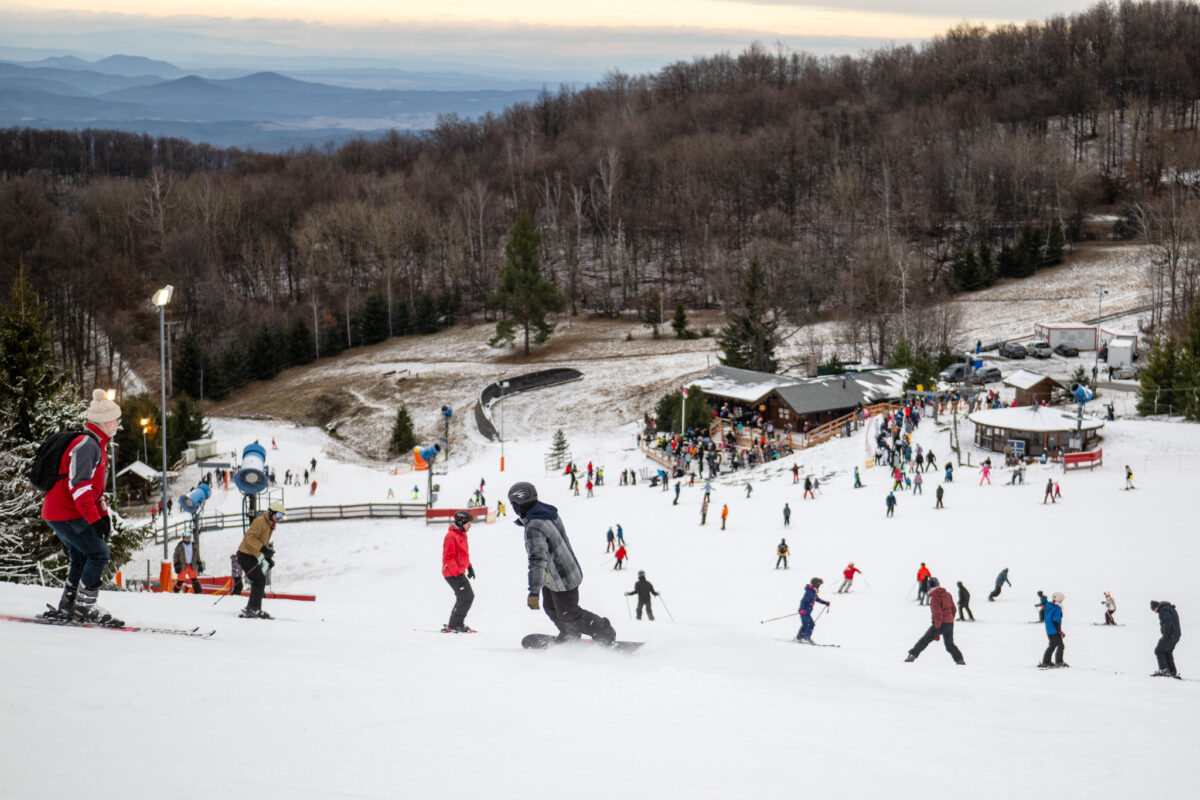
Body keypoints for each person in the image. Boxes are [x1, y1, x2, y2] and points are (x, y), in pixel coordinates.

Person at [41, 389, 123, 625]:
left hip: (61, 511)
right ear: (106, 422)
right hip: (65, 511)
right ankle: (85, 606)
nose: (118, 423)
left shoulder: (97, 443)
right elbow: (79, 487)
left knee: (80, 554)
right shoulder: (88, 445)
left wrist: (103, 515)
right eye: (116, 419)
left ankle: (68, 604)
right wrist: (94, 520)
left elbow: (95, 490)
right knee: (99, 553)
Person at [509, 481, 616, 645]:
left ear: (518, 504)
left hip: (562, 577)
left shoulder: (534, 526)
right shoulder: (547, 513)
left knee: (569, 614)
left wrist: (533, 591)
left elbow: (537, 560)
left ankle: (604, 631)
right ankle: (570, 634)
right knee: (551, 607)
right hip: (556, 573)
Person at [236, 500, 286, 619]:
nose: (279, 519)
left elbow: (262, 543)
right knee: (259, 580)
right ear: (270, 513)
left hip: (251, 555)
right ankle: (253, 609)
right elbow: (250, 538)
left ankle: (252, 608)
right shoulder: (260, 522)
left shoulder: (269, 524)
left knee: (259, 580)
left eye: (282, 517)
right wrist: (263, 550)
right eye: (278, 515)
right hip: (244, 555)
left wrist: (267, 558)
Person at [904, 578, 965, 664]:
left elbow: (938, 614)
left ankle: (912, 655)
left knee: (925, 640)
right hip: (949, 624)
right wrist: (950, 619)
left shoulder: (935, 598)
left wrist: (937, 628)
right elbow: (953, 609)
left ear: (930, 586)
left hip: (940, 624)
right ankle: (960, 660)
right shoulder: (947, 594)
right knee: (949, 644)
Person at [442, 510, 476, 633]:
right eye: (468, 523)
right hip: (452, 573)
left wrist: (469, 567)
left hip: (457, 572)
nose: (470, 525)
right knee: (467, 597)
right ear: (461, 523)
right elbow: (448, 558)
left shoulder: (462, 535)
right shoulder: (450, 536)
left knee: (463, 597)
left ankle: (455, 624)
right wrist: (458, 574)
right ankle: (456, 624)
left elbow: (463, 555)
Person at [1150, 600, 1181, 677]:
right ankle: (1172, 671)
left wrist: (1165, 634)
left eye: (1154, 610)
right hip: (1176, 635)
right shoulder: (1169, 608)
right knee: (1167, 651)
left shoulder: (1163, 610)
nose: (1155, 612)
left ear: (1156, 607)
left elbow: (1168, 621)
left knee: (1158, 650)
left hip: (1170, 635)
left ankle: (1164, 670)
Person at [795, 577, 830, 643]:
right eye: (819, 584)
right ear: (817, 584)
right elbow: (803, 601)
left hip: (806, 612)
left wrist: (825, 603)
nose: (820, 586)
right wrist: (802, 609)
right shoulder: (809, 592)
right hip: (805, 612)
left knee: (805, 625)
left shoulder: (813, 592)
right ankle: (806, 638)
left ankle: (799, 637)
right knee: (811, 624)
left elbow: (817, 599)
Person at [1039, 592, 1067, 668]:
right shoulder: (1057, 608)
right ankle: (1059, 662)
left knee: (1052, 646)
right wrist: (1060, 631)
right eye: (1061, 600)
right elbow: (1056, 621)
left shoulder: (1049, 605)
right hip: (1055, 630)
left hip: (1049, 630)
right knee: (1060, 646)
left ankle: (1046, 662)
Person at [172, 530, 205, 594]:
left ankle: (199, 592)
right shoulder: (180, 546)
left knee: (194, 580)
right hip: (183, 566)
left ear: (189, 538)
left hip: (191, 565)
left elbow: (197, 555)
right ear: (183, 538)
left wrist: (199, 564)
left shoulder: (193, 545)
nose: (186, 539)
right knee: (180, 581)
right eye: (185, 538)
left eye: (187, 538)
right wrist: (176, 565)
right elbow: (175, 556)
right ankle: (175, 592)